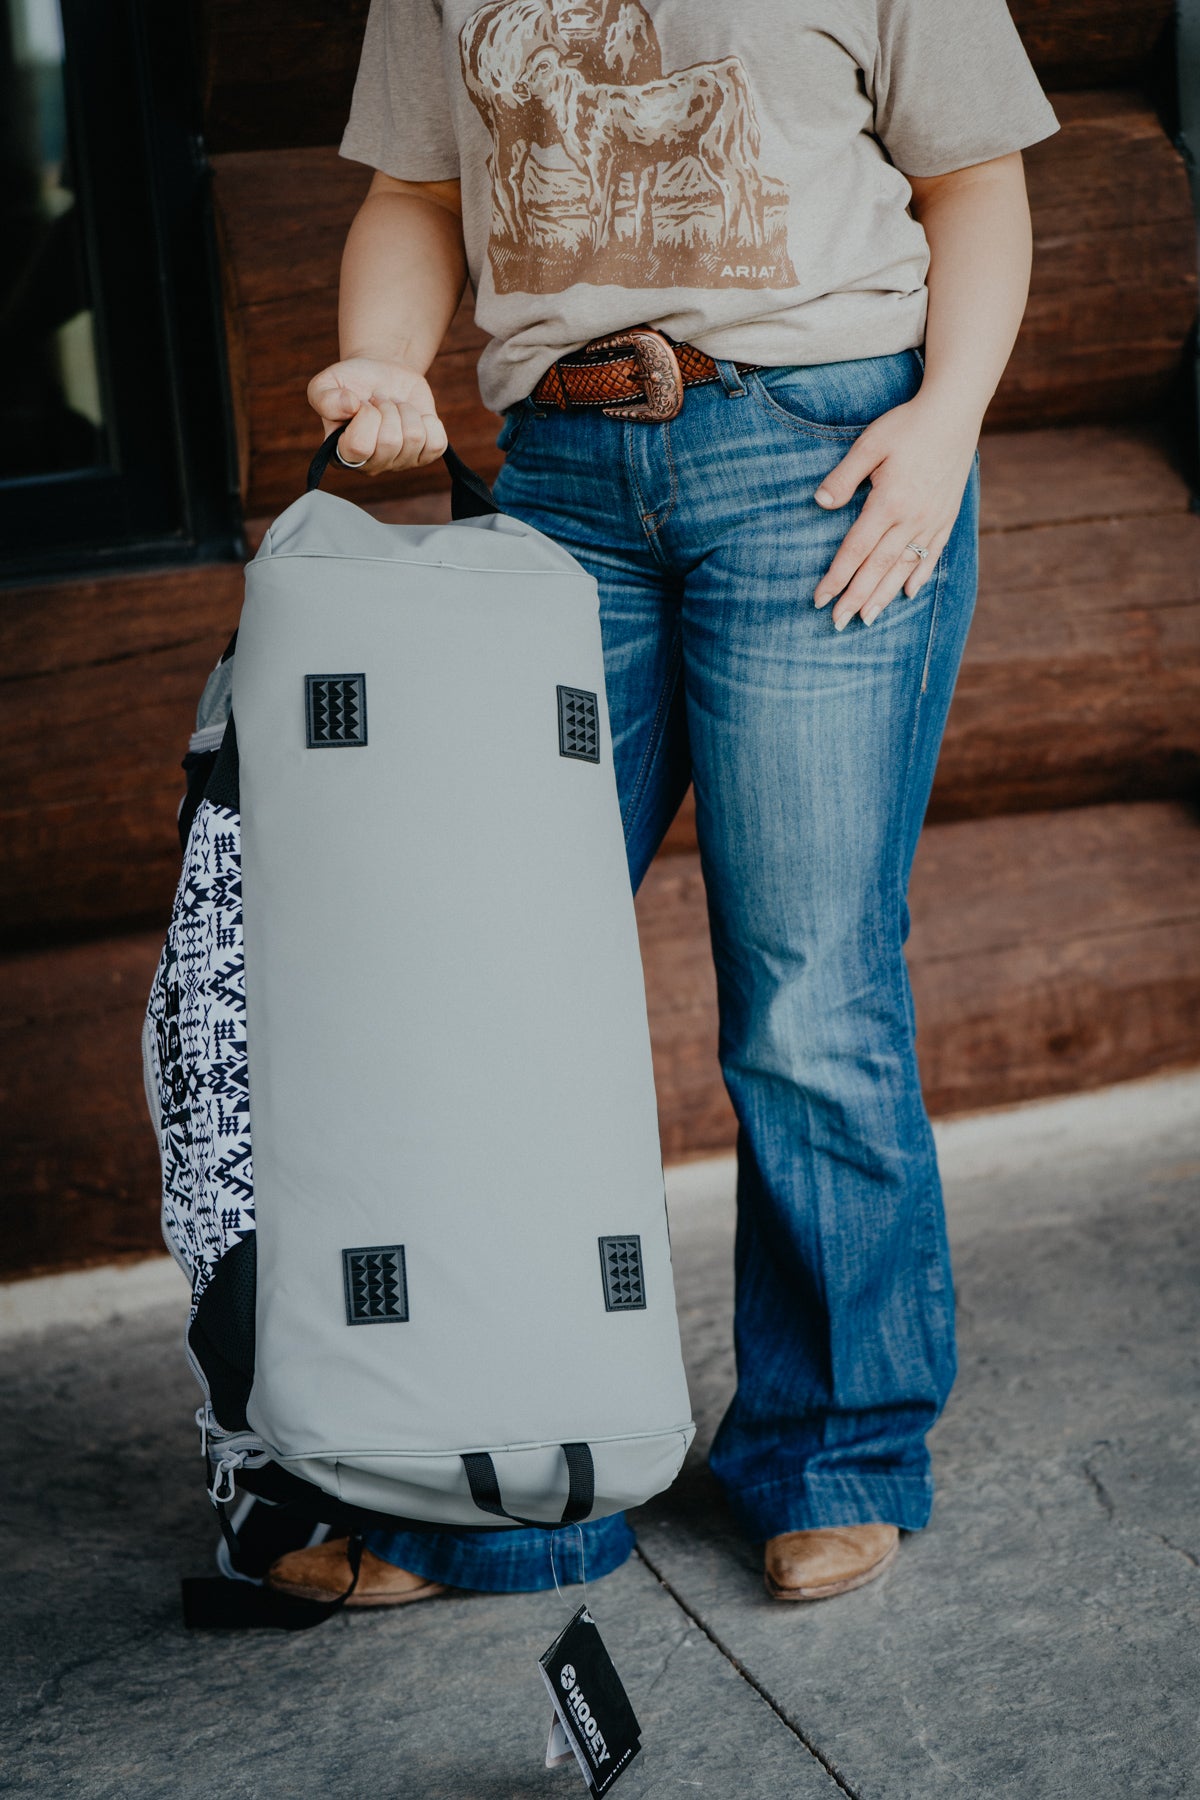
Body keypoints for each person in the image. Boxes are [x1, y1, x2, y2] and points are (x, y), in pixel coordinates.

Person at [268, 0, 1059, 1609]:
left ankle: (831, 1450)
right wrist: (384, 365)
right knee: (491, 998)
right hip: (558, 479)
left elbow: (978, 179)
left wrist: (944, 431)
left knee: (807, 996)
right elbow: (417, 195)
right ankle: (500, 1488)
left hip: (824, 464)